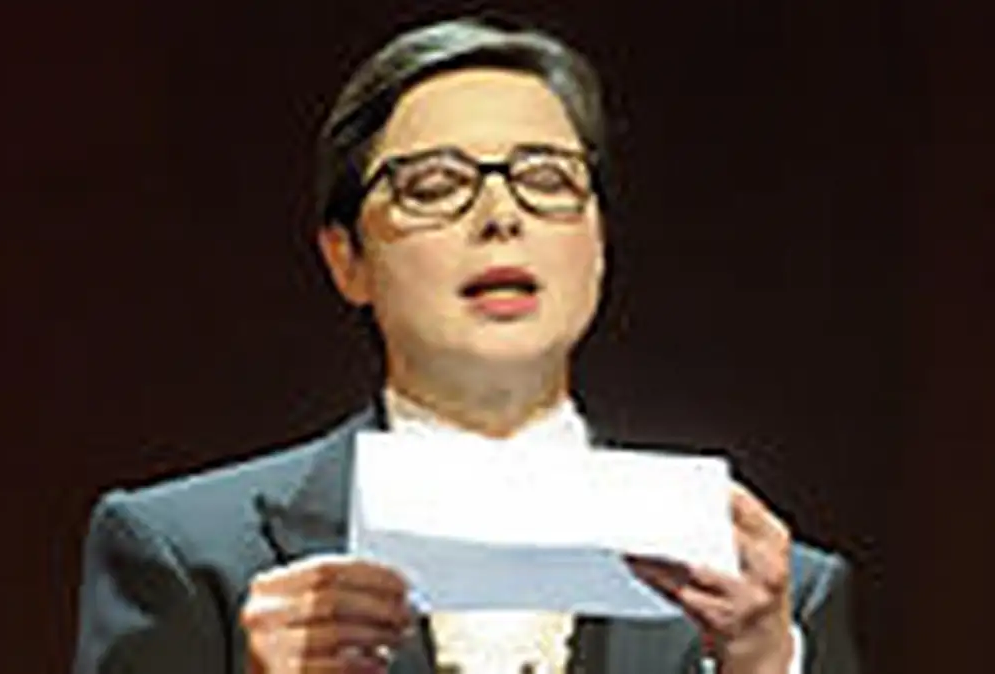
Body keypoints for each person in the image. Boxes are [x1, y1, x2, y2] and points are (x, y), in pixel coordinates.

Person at [71, 15, 859, 674]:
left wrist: (764, 666)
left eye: (546, 179)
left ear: (598, 244)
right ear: (346, 259)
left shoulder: (773, 601)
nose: (500, 216)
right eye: (435, 185)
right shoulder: (189, 556)